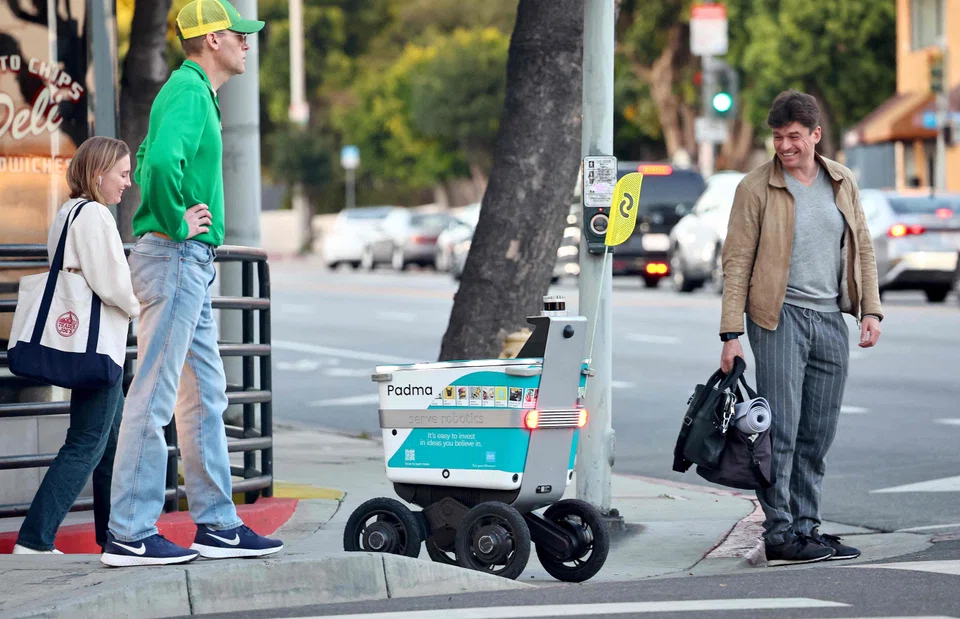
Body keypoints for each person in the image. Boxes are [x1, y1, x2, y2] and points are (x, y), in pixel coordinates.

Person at [101, 0, 281, 567]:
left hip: (186, 262)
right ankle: (129, 532)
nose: (247, 44)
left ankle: (218, 525)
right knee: (154, 394)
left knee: (204, 397)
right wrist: (176, 218)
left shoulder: (192, 93)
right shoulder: (186, 90)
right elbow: (155, 168)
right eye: (239, 35)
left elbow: (154, 155)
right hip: (176, 257)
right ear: (209, 41)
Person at [719, 90, 883, 566]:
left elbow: (863, 249)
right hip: (778, 317)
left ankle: (808, 527)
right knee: (783, 431)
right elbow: (737, 264)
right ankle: (779, 530)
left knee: (818, 431)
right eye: (777, 137)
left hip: (831, 317)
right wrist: (731, 334)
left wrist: (869, 311)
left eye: (794, 136)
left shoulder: (841, 181)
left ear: (815, 135)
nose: (785, 146)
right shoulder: (755, 188)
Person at [13, 137, 140, 555]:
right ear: (98, 173)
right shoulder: (96, 217)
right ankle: (35, 539)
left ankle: (114, 536)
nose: (127, 182)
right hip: (98, 346)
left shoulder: (68, 212)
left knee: (110, 443)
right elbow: (112, 284)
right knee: (87, 443)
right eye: (122, 174)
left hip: (85, 344)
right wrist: (140, 306)